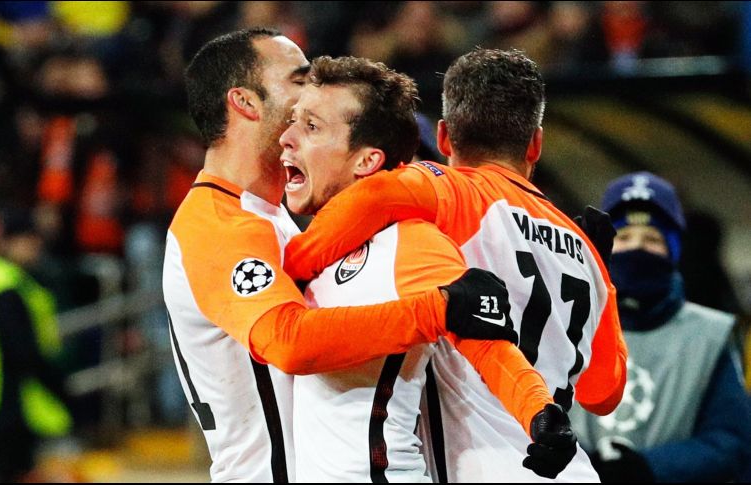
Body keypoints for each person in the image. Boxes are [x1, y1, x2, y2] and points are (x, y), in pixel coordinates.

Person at [166, 29, 527, 482]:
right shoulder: (217, 223)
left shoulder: (281, 217)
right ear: (245, 102)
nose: (311, 93)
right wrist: (440, 309)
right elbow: (289, 342)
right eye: (299, 79)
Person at [282, 48, 628, 482]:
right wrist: (602, 275)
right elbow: (604, 393)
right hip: (568, 469)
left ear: (444, 138)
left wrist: (293, 267)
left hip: (487, 468)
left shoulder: (449, 193)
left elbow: (372, 198)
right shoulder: (585, 250)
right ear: (536, 144)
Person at [568, 172, 751, 483]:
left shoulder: (709, 335)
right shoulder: (568, 322)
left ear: (674, 251)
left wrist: (649, 467)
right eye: (624, 238)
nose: (637, 249)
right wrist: (578, 464)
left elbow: (733, 440)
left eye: (652, 239)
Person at [0, 203, 72, 482]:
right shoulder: (8, 284)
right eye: (31, 241)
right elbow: (22, 351)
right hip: (5, 401)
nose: (36, 248)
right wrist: (57, 386)